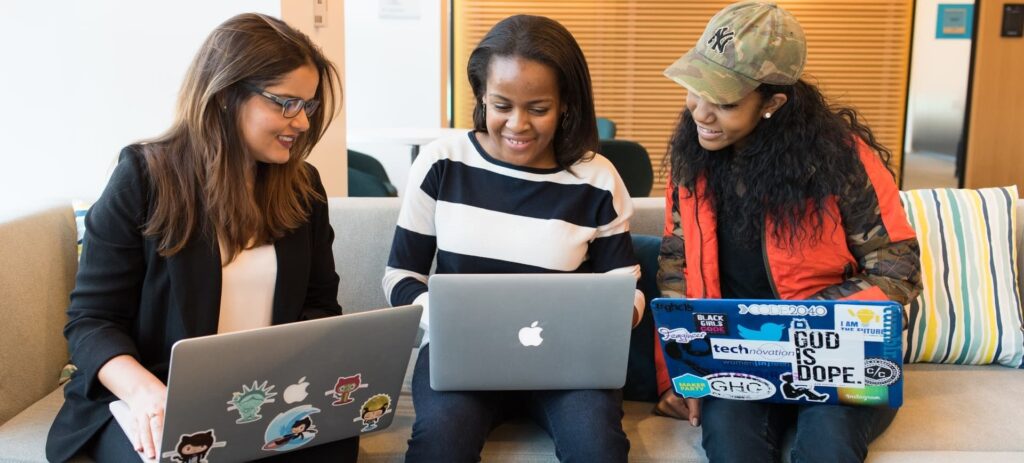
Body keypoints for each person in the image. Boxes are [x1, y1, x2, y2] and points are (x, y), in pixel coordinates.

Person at [45, 13, 357, 462]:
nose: (303, 122)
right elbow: (92, 322)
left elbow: (320, 305)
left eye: (306, 106)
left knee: (334, 445)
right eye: (286, 103)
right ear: (227, 95)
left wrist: (306, 380)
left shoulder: (303, 188)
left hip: (263, 399)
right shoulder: (143, 177)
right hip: (153, 396)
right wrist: (148, 395)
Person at [653, 2, 922, 462]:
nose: (701, 111)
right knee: (731, 446)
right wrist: (681, 376)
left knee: (828, 448)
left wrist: (798, 327)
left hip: (840, 357)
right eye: (695, 90)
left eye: (725, 101)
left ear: (773, 103)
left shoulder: (842, 161)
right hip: (736, 359)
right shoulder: (691, 162)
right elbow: (676, 268)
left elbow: (897, 271)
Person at [383, 14, 644, 463]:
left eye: (538, 108)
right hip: (460, 360)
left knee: (597, 447)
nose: (517, 125)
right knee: (439, 445)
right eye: (501, 105)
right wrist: (444, 318)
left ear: (566, 104)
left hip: (569, 368)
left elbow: (628, 289)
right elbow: (400, 275)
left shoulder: (597, 179)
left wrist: (614, 320)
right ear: (481, 95)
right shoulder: (442, 162)